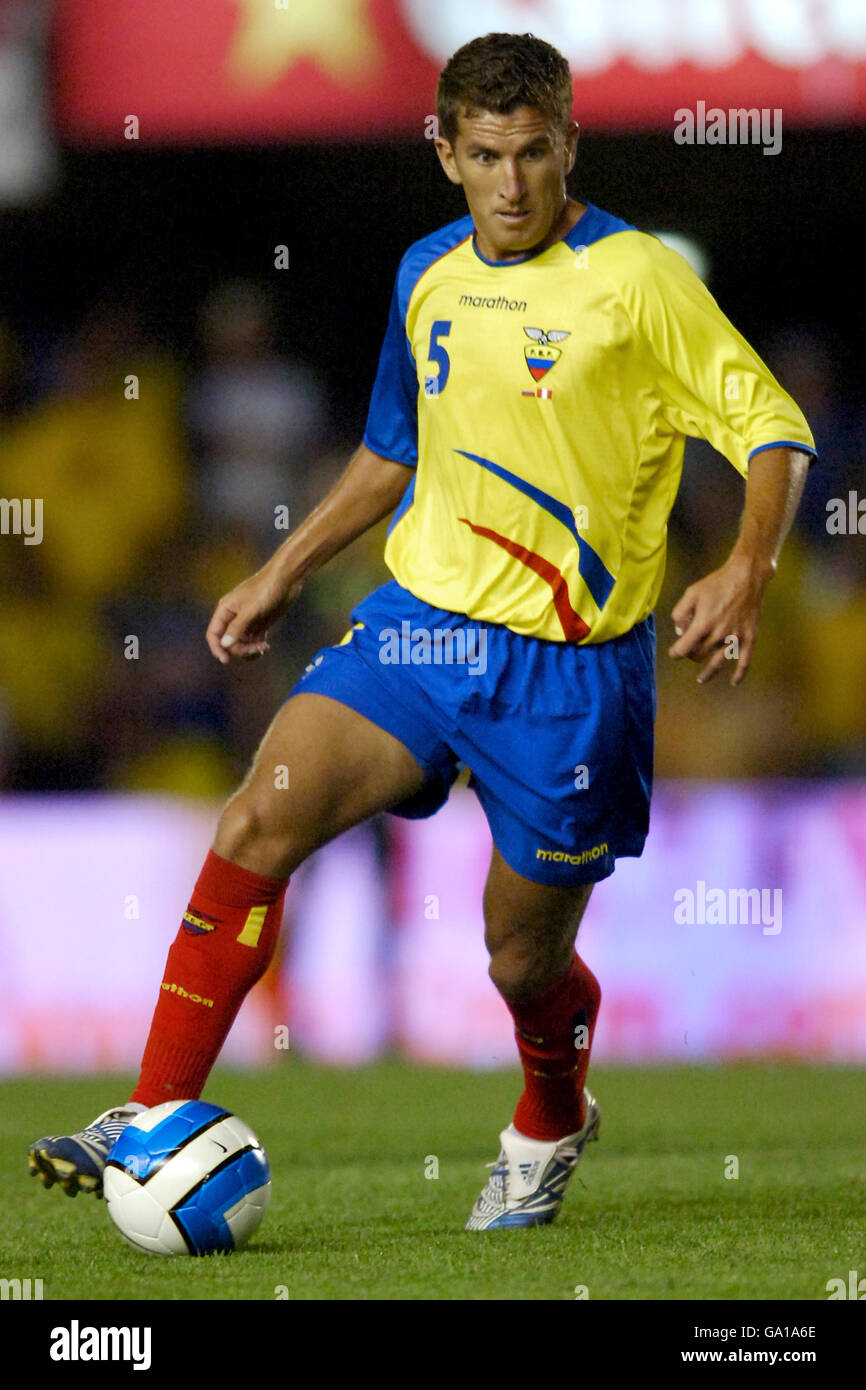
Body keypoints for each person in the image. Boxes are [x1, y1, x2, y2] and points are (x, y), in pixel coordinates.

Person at [29, 32, 816, 1230]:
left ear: (568, 147)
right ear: (444, 152)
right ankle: (149, 1110)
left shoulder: (639, 280)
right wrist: (285, 566)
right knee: (258, 816)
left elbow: (772, 427)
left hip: (569, 676)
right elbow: (395, 448)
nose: (511, 185)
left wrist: (746, 568)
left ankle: (551, 1113)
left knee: (521, 963)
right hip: (419, 627)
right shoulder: (425, 273)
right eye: (486, 155)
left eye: (534, 154)